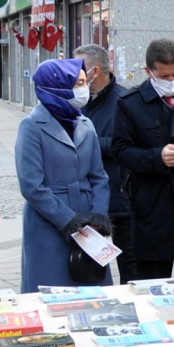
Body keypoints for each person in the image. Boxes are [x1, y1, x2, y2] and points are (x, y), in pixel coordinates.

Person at [114, 39, 174, 283]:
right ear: (149, 72)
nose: (170, 80)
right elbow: (121, 151)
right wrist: (157, 157)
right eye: (163, 75)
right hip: (152, 205)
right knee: (151, 285)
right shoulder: (129, 103)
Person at [16, 58, 113, 292]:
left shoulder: (85, 123)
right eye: (78, 83)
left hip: (88, 219)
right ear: (56, 87)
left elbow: (99, 177)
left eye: (83, 82)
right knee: (51, 289)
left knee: (93, 290)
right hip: (49, 220)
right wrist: (66, 219)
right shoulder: (31, 126)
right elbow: (31, 185)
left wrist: (99, 214)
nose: (84, 88)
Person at [76, 45, 134, 283]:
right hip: (87, 200)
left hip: (120, 200)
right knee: (87, 270)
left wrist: (87, 143)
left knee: (131, 271)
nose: (74, 75)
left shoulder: (126, 101)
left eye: (78, 68)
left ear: (95, 71)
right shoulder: (79, 100)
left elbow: (127, 145)